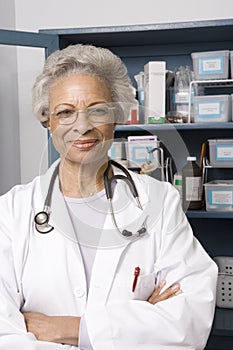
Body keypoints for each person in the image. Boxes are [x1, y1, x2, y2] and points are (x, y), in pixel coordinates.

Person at [0, 44, 217, 350]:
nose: (82, 125)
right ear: (47, 122)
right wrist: (140, 320)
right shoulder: (11, 212)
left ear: (117, 116)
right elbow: (5, 336)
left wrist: (69, 329)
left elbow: (189, 320)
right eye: (65, 112)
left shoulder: (159, 202)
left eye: (98, 110)